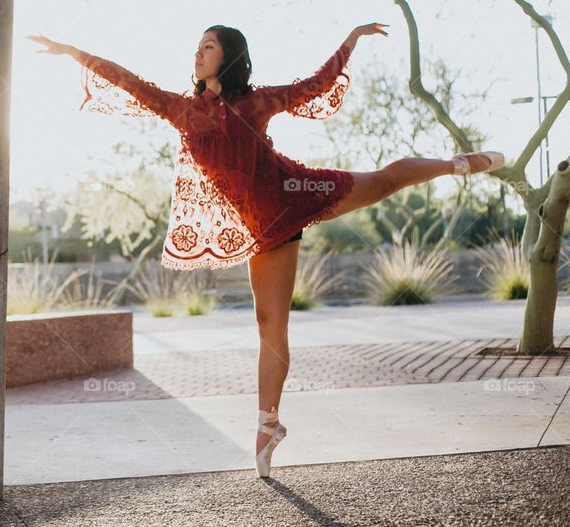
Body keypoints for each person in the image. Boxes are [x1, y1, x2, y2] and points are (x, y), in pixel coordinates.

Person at [27, 25, 505, 477]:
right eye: (197, 45)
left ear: (229, 56)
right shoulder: (180, 109)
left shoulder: (255, 102)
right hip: (266, 229)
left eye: (209, 46)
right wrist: (74, 53)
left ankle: (460, 163)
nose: (198, 52)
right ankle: (268, 425)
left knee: (383, 181)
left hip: (298, 191)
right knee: (269, 326)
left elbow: (317, 85)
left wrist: (351, 40)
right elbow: (128, 81)